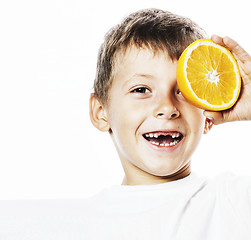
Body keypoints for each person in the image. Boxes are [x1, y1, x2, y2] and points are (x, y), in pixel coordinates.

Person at [87, 8, 251, 239]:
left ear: (208, 114)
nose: (167, 107)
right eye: (141, 90)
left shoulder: (235, 202)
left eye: (183, 92)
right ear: (101, 112)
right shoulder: (84, 220)